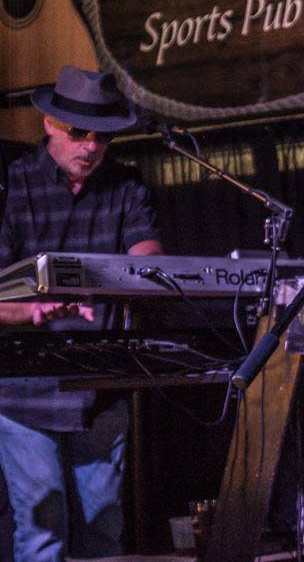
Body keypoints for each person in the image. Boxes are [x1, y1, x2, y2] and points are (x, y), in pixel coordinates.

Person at [0, 65, 162, 562]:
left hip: (100, 387)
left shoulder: (127, 187)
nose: (90, 146)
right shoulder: (11, 187)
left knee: (103, 533)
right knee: (42, 536)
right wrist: (33, 313)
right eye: (78, 133)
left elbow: (153, 267)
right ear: (49, 124)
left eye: (102, 136)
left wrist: (141, 276)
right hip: (25, 391)